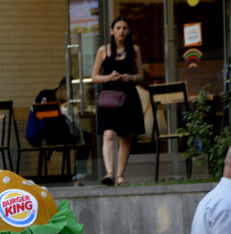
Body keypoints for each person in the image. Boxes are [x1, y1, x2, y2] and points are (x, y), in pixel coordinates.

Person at [91, 16, 145, 186]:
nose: (121, 31)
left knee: (125, 137)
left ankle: (120, 176)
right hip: (109, 97)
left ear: (128, 31)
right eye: (118, 28)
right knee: (108, 134)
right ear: (112, 31)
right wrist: (109, 77)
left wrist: (132, 77)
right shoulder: (103, 51)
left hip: (128, 96)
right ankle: (109, 173)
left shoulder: (134, 50)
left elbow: (142, 76)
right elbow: (94, 77)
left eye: (125, 28)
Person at [26, 77, 92, 182]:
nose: (69, 97)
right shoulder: (45, 95)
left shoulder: (62, 101)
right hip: (40, 135)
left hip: (58, 134)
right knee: (60, 125)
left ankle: (80, 171)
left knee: (86, 137)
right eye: (69, 94)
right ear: (62, 89)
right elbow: (41, 115)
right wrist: (61, 107)